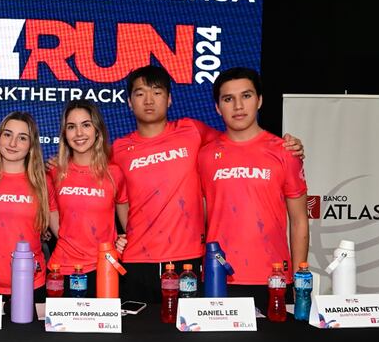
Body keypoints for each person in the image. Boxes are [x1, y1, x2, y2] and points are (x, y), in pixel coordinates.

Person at [112, 65, 303, 304]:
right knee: (139, 338)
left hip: (189, 260)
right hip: (137, 260)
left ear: (170, 99)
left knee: (188, 339)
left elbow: (240, 142)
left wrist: (287, 146)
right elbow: (113, 192)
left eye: (157, 92)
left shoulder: (193, 131)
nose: (149, 100)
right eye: (140, 94)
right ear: (129, 102)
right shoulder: (118, 149)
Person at [197, 67, 309, 309]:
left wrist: (300, 281)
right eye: (228, 99)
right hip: (219, 276)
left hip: (275, 278)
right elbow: (199, 216)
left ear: (259, 100)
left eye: (246, 96)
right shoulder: (204, 156)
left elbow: (299, 219)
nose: (238, 106)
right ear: (217, 107)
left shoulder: (285, 152)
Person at [0, 112, 58, 302]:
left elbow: (65, 232)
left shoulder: (44, 183)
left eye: (22, 138)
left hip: (32, 284)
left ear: (31, 145)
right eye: (7, 134)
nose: (13, 143)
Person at [48, 100, 129, 297]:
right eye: (71, 127)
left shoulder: (114, 173)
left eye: (86, 125)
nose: (79, 133)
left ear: (97, 130)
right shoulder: (54, 172)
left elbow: (129, 224)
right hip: (63, 268)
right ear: (64, 134)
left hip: (104, 268)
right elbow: (55, 221)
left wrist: (125, 241)